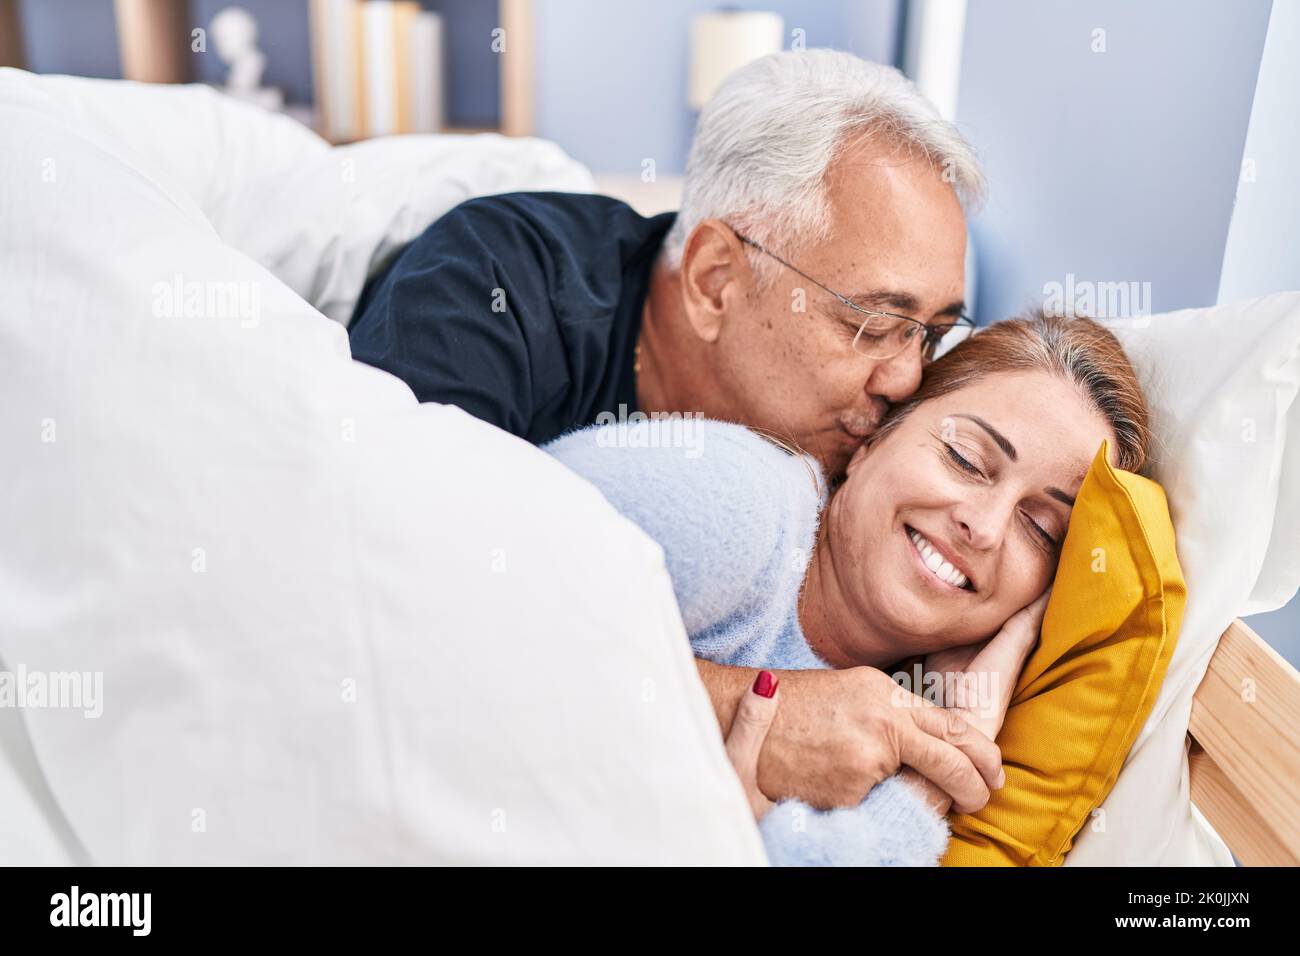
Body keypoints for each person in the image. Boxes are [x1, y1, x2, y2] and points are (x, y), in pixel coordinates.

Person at [349, 49, 992, 814]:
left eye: (933, 332)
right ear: (715, 280)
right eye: (871, 324)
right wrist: (752, 710)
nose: (906, 381)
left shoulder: (872, 427)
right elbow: (383, 601)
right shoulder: (489, 294)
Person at [544, 312, 1152, 864]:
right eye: (966, 458)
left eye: (1040, 528)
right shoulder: (732, 504)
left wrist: (938, 765)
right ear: (873, 441)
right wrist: (744, 716)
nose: (985, 526)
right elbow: (472, 601)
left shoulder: (896, 724)